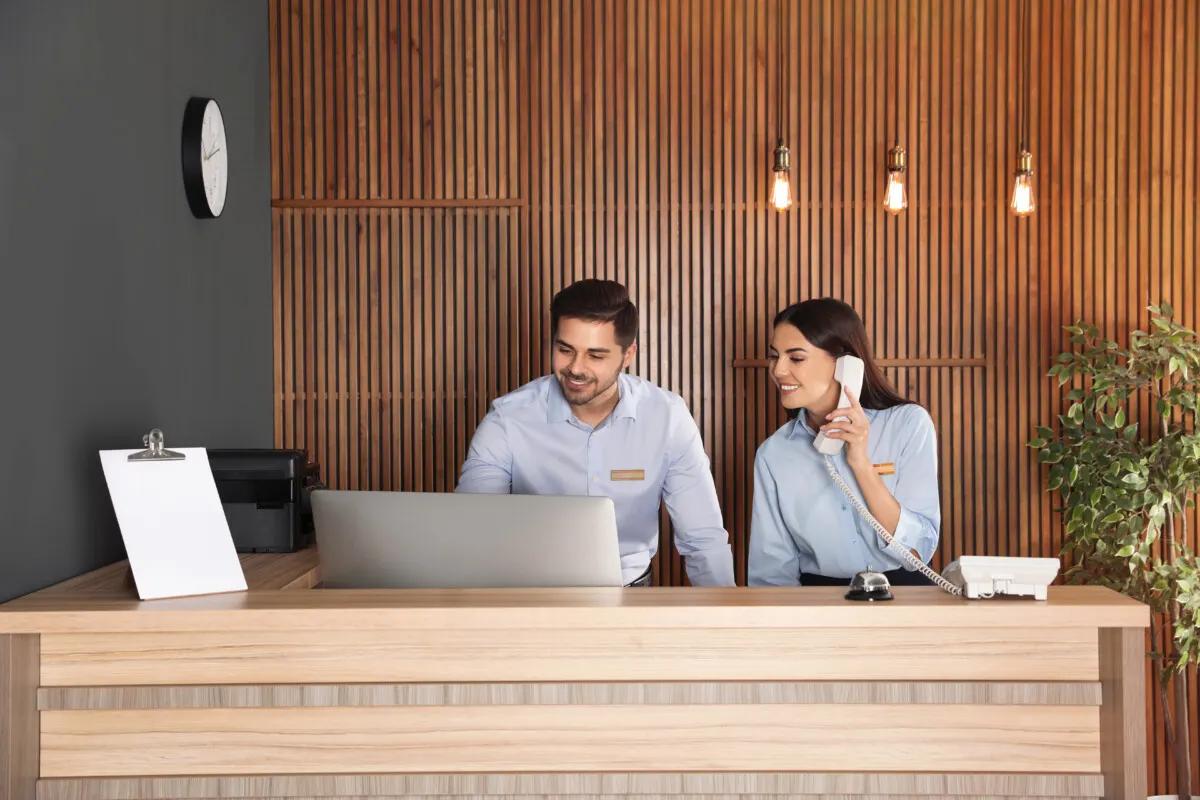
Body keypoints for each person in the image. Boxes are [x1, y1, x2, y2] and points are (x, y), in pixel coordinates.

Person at [457, 279, 735, 587]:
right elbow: (472, 528)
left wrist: (727, 621)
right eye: (565, 350)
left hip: (631, 593)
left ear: (628, 354)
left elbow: (703, 538)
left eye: (596, 355)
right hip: (529, 594)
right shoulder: (508, 418)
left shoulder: (667, 417)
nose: (576, 368)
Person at [748, 298, 940, 586]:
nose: (777, 371)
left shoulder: (908, 425)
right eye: (775, 356)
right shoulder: (773, 454)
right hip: (814, 604)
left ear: (845, 365)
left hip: (902, 594)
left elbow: (917, 550)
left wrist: (860, 463)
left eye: (796, 358)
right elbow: (771, 574)